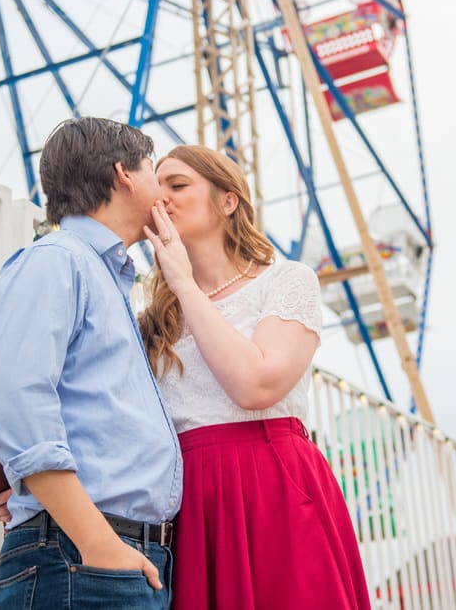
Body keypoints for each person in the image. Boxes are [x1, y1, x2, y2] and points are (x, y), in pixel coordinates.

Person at [138, 144, 371, 609]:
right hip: (189, 498)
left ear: (228, 201)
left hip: (272, 485)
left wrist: (184, 283)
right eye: (154, 188)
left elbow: (256, 385)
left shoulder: (286, 281)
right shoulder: (151, 316)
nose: (160, 199)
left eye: (178, 185)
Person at [0, 118, 182, 609]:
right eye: (154, 172)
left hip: (112, 554)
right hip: (82, 555)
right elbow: (19, 401)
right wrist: (97, 541)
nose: (163, 192)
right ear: (125, 175)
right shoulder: (56, 259)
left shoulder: (108, 278)